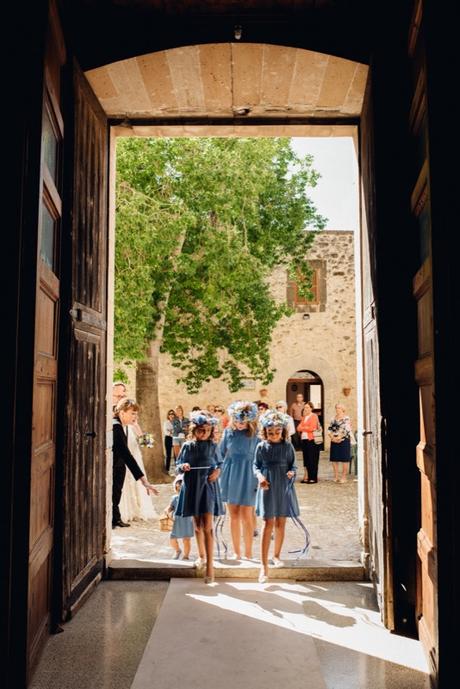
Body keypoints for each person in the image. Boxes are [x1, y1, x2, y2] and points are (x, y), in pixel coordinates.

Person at [175, 410, 224, 584]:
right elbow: (177, 466)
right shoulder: (188, 446)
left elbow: (220, 463)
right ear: (194, 430)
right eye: (200, 430)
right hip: (192, 487)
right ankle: (202, 555)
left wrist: (217, 471)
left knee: (208, 526)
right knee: (197, 526)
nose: (203, 434)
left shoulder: (213, 446)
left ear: (211, 431)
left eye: (207, 430)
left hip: (208, 487)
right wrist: (183, 466)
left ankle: (210, 566)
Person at [253, 410, 299, 583]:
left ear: (282, 431)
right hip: (267, 486)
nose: (273, 435)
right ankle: (263, 566)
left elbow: (294, 466)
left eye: (277, 432)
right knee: (267, 523)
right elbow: (255, 466)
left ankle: (277, 555)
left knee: (280, 523)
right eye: (270, 432)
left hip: (283, 487)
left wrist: (291, 473)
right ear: (265, 431)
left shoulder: (287, 446)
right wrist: (260, 477)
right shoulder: (261, 447)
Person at [219, 401, 259, 560]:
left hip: (248, 475)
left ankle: (248, 553)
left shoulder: (256, 435)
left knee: (247, 515)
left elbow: (261, 455)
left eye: (242, 421)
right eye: (236, 420)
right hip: (230, 474)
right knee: (233, 515)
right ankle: (236, 552)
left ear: (250, 420)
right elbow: (220, 454)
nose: (239, 424)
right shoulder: (228, 432)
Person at [112, 398, 158, 528]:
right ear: (121, 411)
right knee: (116, 492)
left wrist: (137, 426)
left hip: (132, 460)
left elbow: (148, 444)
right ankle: (117, 517)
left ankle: (117, 518)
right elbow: (125, 452)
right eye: (133, 413)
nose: (135, 416)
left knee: (118, 492)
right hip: (123, 460)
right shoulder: (116, 425)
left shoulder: (131, 425)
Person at [167, 475, 194, 560]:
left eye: (182, 484)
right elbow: (171, 507)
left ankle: (186, 556)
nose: (179, 486)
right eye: (178, 484)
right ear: (175, 487)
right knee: (172, 538)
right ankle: (177, 550)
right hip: (176, 521)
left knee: (186, 540)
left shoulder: (190, 498)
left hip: (187, 521)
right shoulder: (175, 498)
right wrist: (167, 510)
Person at [296, 401, 321, 483]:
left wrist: (304, 427)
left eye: (307, 407)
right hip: (304, 440)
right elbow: (298, 428)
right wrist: (305, 427)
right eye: (305, 407)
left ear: (311, 408)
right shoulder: (304, 417)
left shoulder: (314, 416)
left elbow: (312, 428)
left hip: (312, 440)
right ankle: (308, 477)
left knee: (312, 459)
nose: (306, 409)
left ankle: (313, 478)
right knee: (306, 459)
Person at [328, 403, 353, 483]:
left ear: (343, 409)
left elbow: (347, 429)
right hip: (334, 440)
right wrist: (332, 438)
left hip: (344, 440)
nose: (337, 409)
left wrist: (339, 438)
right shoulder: (333, 418)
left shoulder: (346, 418)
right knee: (334, 459)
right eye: (336, 408)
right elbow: (329, 430)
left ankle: (344, 477)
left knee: (344, 459)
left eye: (339, 408)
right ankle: (336, 476)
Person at [163, 409, 176, 474]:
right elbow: (166, 431)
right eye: (170, 414)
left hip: (175, 439)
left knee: (175, 454)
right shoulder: (166, 422)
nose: (171, 415)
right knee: (168, 455)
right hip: (168, 439)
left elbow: (176, 430)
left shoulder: (176, 422)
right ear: (168, 415)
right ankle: (167, 470)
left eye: (173, 414)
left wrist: (171, 431)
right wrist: (171, 432)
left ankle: (177, 470)